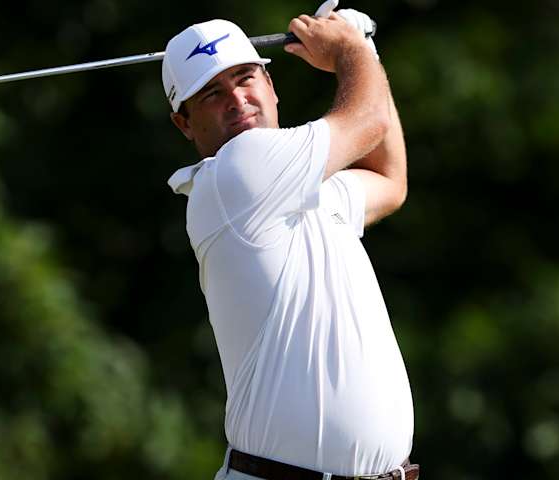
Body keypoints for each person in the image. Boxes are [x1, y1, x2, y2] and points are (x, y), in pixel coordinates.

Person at [163, 5, 417, 480]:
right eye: (212, 94)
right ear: (185, 124)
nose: (237, 100)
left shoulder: (306, 191)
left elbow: (389, 178)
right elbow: (368, 121)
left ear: (271, 85)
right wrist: (351, 49)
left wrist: (366, 56)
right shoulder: (236, 173)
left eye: (245, 79)